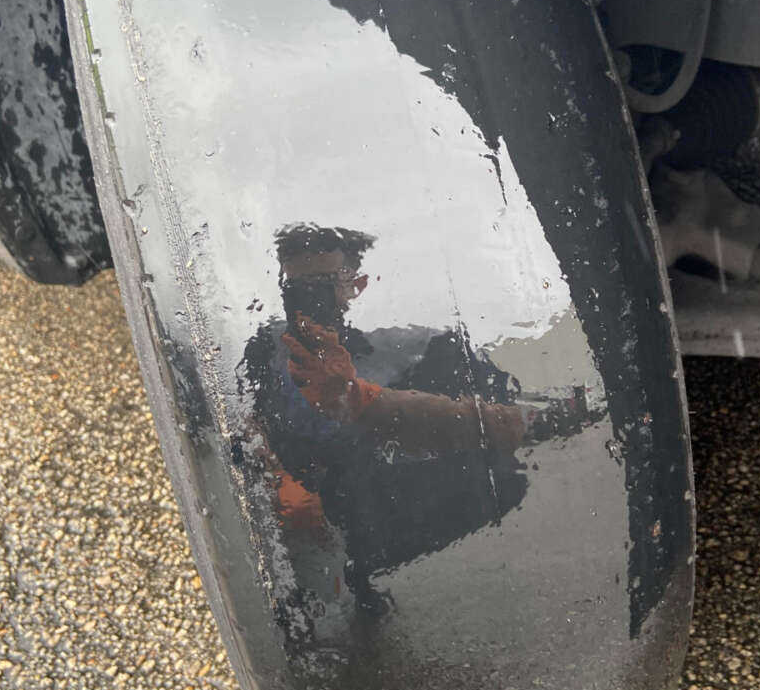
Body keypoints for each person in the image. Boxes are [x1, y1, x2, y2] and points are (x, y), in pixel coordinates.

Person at [239, 223, 585, 632]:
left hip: (368, 499)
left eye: (323, 285)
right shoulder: (263, 349)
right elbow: (236, 416)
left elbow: (468, 400)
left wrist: (359, 401)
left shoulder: (403, 351)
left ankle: (360, 569)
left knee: (504, 474)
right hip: (292, 509)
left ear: (355, 286)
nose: (308, 299)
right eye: (296, 288)